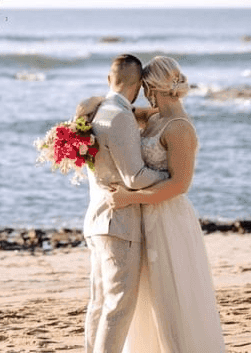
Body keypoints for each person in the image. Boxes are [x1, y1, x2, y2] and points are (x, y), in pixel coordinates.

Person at [109, 56, 226, 352]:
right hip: (146, 215)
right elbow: (119, 111)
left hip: (168, 219)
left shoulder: (179, 128)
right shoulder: (154, 117)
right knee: (148, 295)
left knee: (170, 296)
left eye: (146, 87)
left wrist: (129, 197)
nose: (144, 93)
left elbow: (179, 185)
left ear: (154, 87)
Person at [80, 54, 170, 353]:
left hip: (96, 220)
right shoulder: (119, 117)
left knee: (99, 303)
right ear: (140, 84)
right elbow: (135, 177)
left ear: (109, 79)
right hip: (118, 223)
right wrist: (169, 175)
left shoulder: (95, 112)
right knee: (118, 308)